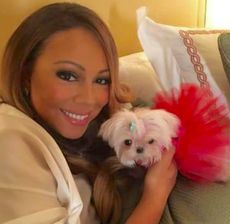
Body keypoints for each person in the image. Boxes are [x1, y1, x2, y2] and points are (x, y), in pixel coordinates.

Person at [0, 2, 177, 224]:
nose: (89, 99)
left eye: (102, 80)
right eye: (68, 76)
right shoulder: (8, 139)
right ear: (26, 74)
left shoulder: (102, 127)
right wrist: (155, 197)